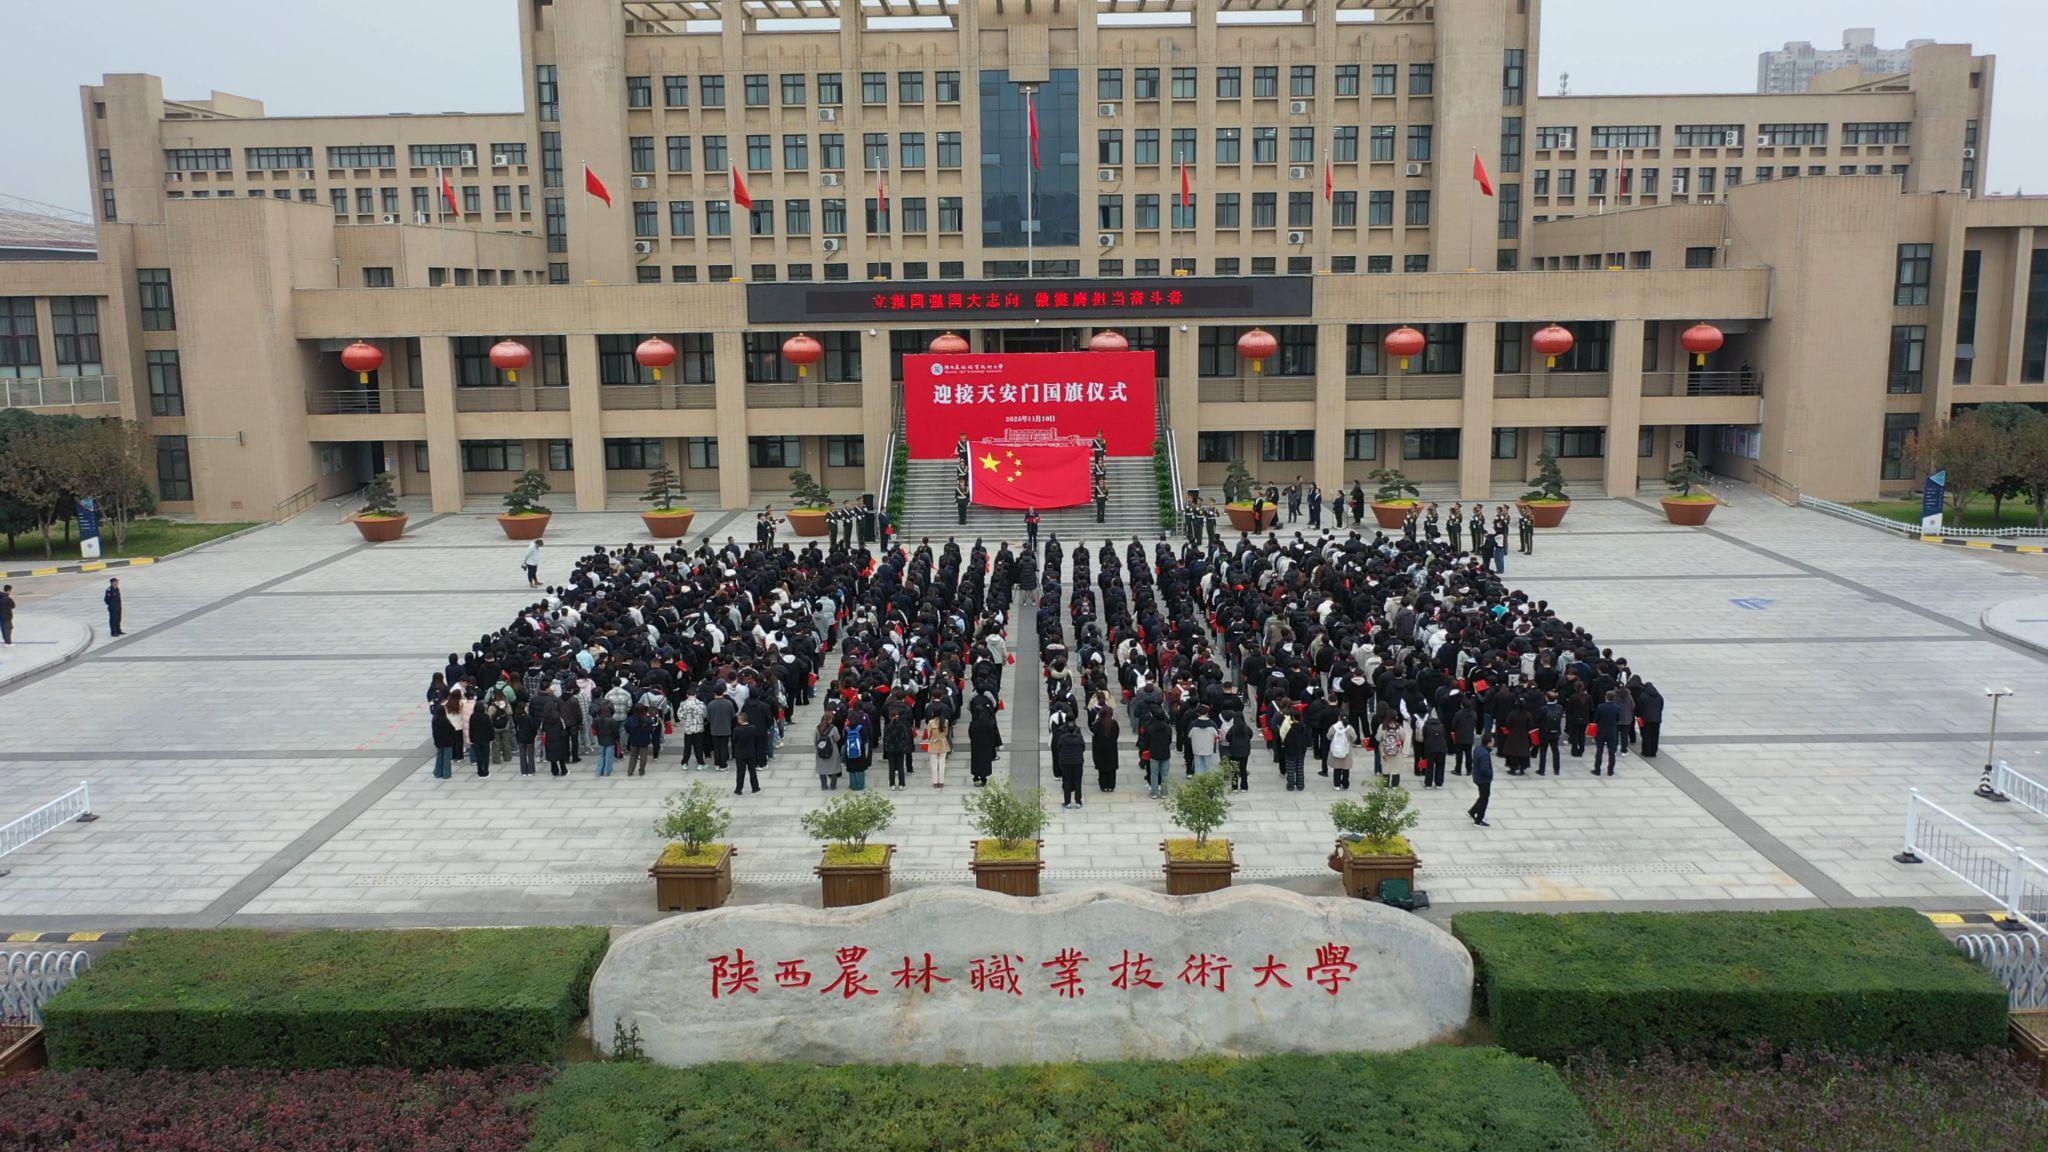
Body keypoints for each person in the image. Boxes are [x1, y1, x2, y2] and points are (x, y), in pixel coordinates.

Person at [1052, 717, 1087, 809]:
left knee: (1067, 781)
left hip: (1066, 762)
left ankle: (1067, 802)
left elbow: (1058, 747)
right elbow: (1083, 747)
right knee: (1078, 782)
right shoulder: (1079, 738)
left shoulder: (1063, 738)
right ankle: (1078, 801)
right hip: (1078, 762)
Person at [1090, 694, 1121, 792]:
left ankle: (1103, 785)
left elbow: (1094, 735)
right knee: (1111, 768)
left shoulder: (1098, 724)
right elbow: (1116, 735)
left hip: (1100, 748)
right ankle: (1111, 785)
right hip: (1111, 748)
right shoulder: (1114, 723)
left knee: (1102, 769)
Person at [431, 693, 463, 779]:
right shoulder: (445, 720)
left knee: (439, 757)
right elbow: (452, 729)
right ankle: (446, 774)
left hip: (438, 741)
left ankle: (437, 772)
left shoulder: (434, 719)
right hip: (447, 742)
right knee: (447, 758)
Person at [1591, 689, 1622, 776]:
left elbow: (1596, 719)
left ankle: (1597, 769)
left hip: (1601, 731)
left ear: (1605, 697)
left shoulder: (1600, 707)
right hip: (1612, 731)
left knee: (1599, 751)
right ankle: (1610, 770)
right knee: (1612, 752)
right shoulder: (1617, 708)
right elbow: (1618, 719)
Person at [1468, 734, 1495, 826]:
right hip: (1483, 779)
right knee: (1484, 799)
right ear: (1488, 743)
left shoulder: (1478, 749)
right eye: (1492, 741)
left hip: (1477, 776)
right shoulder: (1484, 754)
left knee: (1483, 796)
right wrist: (1490, 774)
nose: (1493, 743)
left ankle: (1473, 811)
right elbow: (1485, 769)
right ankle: (1478, 820)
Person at [1326, 709, 1357, 790]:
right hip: (1346, 752)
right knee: (1346, 768)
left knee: (1337, 768)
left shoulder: (1334, 727)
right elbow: (1354, 738)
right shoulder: (1349, 728)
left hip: (1336, 751)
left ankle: (1337, 785)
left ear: (1339, 718)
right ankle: (1345, 784)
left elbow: (1328, 736)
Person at [922, 709, 952, 788]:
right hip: (943, 742)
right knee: (942, 764)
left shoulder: (931, 722)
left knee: (934, 764)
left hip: (934, 743)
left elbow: (929, 734)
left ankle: (935, 782)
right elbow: (946, 733)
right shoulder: (945, 722)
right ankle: (941, 782)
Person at [814, 712, 844, 790]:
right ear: (830, 720)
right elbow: (837, 738)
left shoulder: (818, 728)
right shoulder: (833, 728)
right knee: (834, 769)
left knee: (822, 770)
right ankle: (833, 786)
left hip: (821, 751)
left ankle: (824, 786)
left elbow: (815, 741)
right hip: (832, 751)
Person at [623, 705, 656, 776]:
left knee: (633, 756)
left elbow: (626, 728)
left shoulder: (630, 719)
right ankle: (641, 770)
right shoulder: (647, 719)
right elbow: (651, 730)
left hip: (634, 739)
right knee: (643, 755)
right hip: (644, 739)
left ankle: (630, 771)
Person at [1635, 679, 1665, 757]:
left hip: (1646, 719)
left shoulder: (1643, 696)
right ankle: (1653, 752)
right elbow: (1661, 707)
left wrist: (1638, 715)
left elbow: (1639, 708)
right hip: (1657, 719)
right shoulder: (1659, 696)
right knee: (1655, 736)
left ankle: (1646, 752)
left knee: (1646, 736)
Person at [592, 702, 621, 777]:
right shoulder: (612, 720)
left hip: (601, 740)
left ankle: (599, 771)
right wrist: (617, 739)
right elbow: (615, 732)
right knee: (609, 756)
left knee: (601, 756)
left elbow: (594, 729)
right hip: (610, 740)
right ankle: (607, 771)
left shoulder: (596, 720)